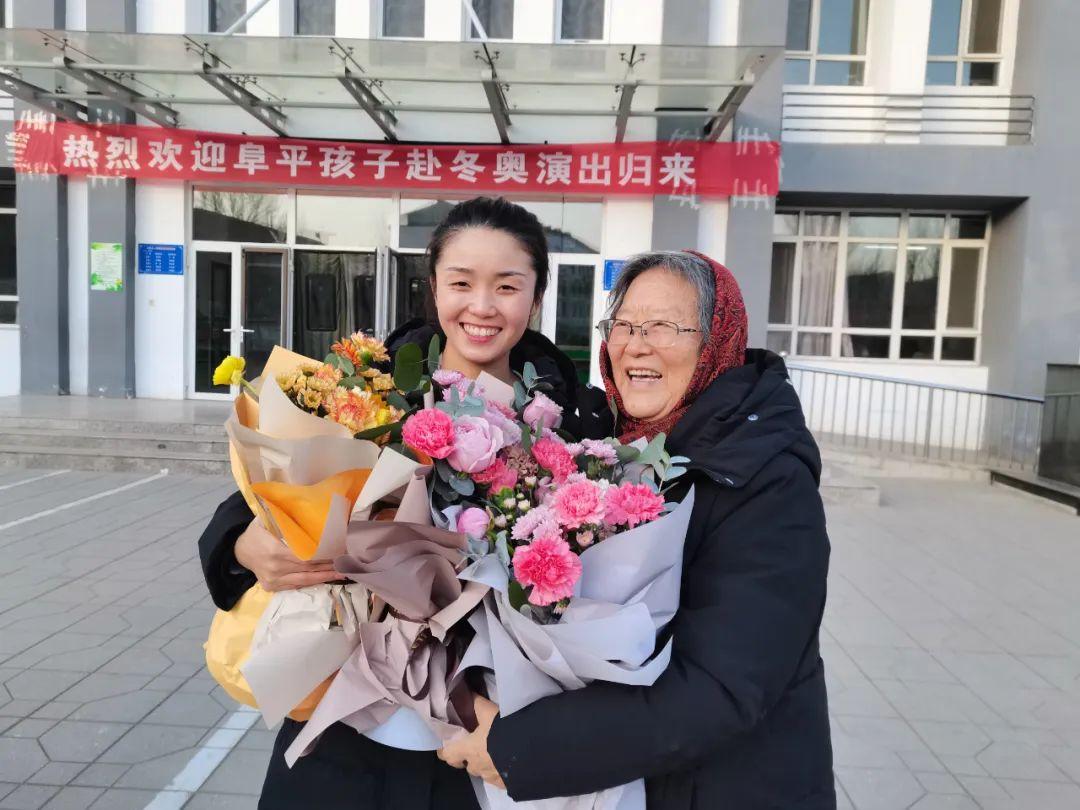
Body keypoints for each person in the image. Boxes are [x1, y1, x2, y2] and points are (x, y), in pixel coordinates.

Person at [198, 196, 607, 810]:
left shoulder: (573, 423)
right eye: (461, 282)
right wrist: (241, 543)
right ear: (433, 287)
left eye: (507, 286)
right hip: (343, 725)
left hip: (476, 742)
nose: (482, 306)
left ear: (537, 296)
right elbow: (261, 494)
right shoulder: (364, 392)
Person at [438, 250, 836, 809]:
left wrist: (521, 748)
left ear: (716, 341)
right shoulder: (614, 445)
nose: (636, 345)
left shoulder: (767, 479)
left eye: (664, 327)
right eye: (624, 325)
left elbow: (723, 686)